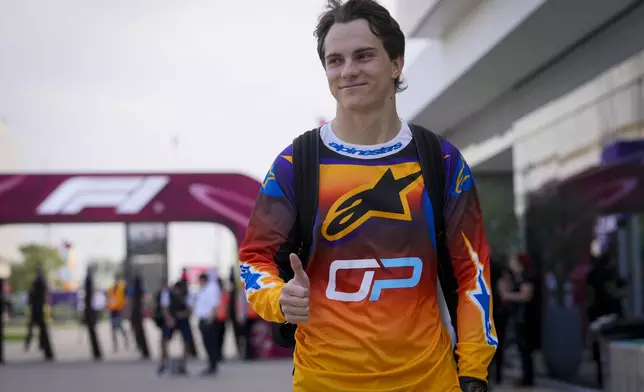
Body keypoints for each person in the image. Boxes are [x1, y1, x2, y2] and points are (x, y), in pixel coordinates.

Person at [238, 1, 496, 390]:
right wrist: (278, 298)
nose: (348, 71)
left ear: (396, 63)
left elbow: (473, 272)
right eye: (335, 60)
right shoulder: (296, 163)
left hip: (429, 382)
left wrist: (474, 370)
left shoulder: (441, 161)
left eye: (363, 56)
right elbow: (253, 259)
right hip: (323, 382)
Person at [497, 252, 535, 387]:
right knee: (521, 349)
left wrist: (507, 296)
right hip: (518, 318)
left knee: (525, 350)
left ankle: (527, 379)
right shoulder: (516, 277)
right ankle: (525, 377)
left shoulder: (525, 277)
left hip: (524, 319)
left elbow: (525, 296)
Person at [157, 281, 191, 376]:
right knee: (164, 340)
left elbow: (189, 309)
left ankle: (183, 364)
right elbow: (164, 308)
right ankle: (163, 362)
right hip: (171, 318)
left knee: (186, 340)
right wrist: (169, 319)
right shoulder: (167, 294)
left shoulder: (186, 295)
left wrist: (182, 315)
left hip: (183, 319)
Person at [193, 273, 221, 376]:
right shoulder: (202, 289)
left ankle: (213, 366)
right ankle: (210, 364)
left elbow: (214, 305)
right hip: (202, 319)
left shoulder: (212, 289)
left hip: (209, 320)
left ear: (203, 280)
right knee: (206, 343)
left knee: (211, 344)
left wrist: (211, 319)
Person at [24, 268, 54, 360]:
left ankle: (34, 344)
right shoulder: (41, 284)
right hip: (38, 310)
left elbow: (31, 299)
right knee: (42, 330)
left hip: (37, 310)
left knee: (38, 329)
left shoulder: (37, 284)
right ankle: (45, 349)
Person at [84, 266, 103, 360]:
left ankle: (97, 353)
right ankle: (97, 353)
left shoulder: (89, 281)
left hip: (91, 310)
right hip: (90, 309)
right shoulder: (89, 281)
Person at [107, 274, 129, 353]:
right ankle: (115, 345)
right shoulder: (111, 288)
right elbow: (109, 298)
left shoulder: (123, 287)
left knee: (120, 327)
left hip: (119, 310)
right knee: (113, 329)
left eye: (117, 279)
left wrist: (125, 309)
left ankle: (126, 340)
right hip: (112, 310)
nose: (116, 280)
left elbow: (126, 298)